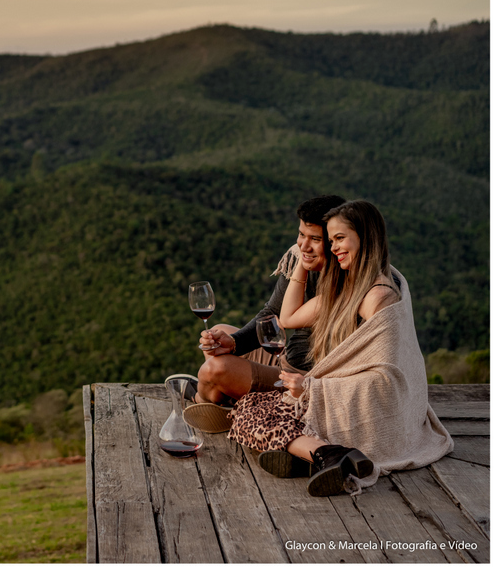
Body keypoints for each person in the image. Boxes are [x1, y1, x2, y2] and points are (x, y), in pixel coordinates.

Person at [227, 200, 453, 497]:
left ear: (365, 236)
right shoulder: (348, 287)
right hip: (327, 388)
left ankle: (327, 455)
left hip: (361, 405)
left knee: (253, 413)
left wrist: (312, 389)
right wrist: (301, 263)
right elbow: (287, 317)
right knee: (250, 408)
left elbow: (384, 379)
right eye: (331, 240)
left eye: (340, 238)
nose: (333, 248)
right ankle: (322, 456)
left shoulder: (378, 297)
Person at [182, 195, 345, 433]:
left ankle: (204, 400)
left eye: (315, 239)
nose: (304, 246)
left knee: (214, 370)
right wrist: (234, 343)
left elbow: (288, 321)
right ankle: (229, 398)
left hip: (302, 380)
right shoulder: (302, 260)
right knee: (222, 333)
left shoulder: (346, 281)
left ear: (334, 241)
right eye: (301, 235)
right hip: (284, 359)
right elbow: (271, 313)